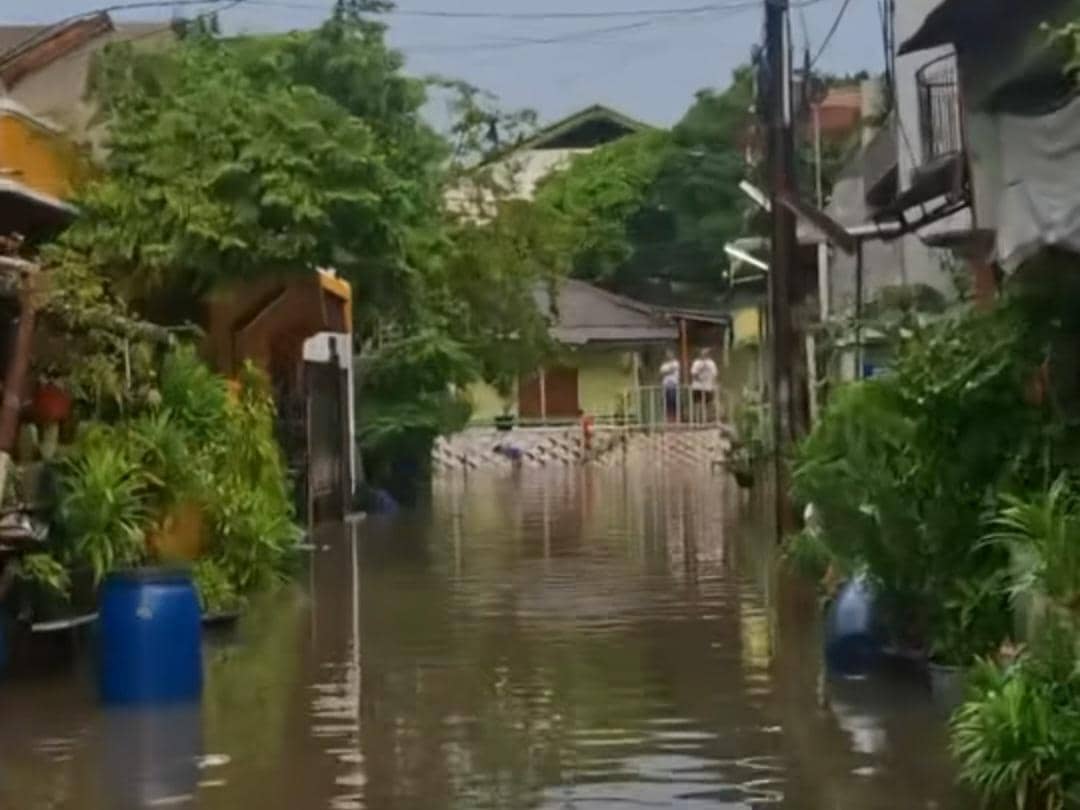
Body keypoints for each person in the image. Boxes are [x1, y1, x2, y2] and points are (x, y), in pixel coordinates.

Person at [690, 348, 719, 422]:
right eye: (703, 353)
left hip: (707, 387)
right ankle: (697, 420)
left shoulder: (711, 363)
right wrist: (700, 377)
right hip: (697, 386)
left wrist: (714, 384)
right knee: (697, 404)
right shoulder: (696, 362)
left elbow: (714, 374)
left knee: (707, 404)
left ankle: (706, 419)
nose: (704, 355)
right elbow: (693, 373)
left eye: (706, 353)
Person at [659, 350, 681, 421]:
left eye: (670, 354)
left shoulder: (676, 363)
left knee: (674, 401)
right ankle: (667, 418)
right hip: (666, 385)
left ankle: (676, 418)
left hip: (674, 385)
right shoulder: (664, 365)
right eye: (667, 354)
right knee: (666, 402)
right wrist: (668, 370)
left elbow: (671, 370)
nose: (669, 356)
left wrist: (667, 371)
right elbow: (662, 372)